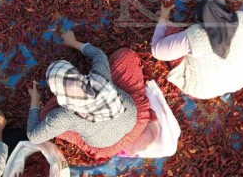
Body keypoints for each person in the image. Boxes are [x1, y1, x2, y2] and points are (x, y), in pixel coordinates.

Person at [27, 31, 150, 159]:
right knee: (125, 56)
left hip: (106, 146)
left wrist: (35, 102)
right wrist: (73, 43)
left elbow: (33, 137)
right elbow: (99, 54)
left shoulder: (64, 116)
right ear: (75, 72)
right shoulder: (99, 77)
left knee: (45, 115)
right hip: (135, 122)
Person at [151, 0, 243, 99]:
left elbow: (156, 50)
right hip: (240, 80)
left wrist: (164, 16)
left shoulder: (196, 36)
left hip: (202, 91)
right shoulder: (242, 20)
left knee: (170, 32)